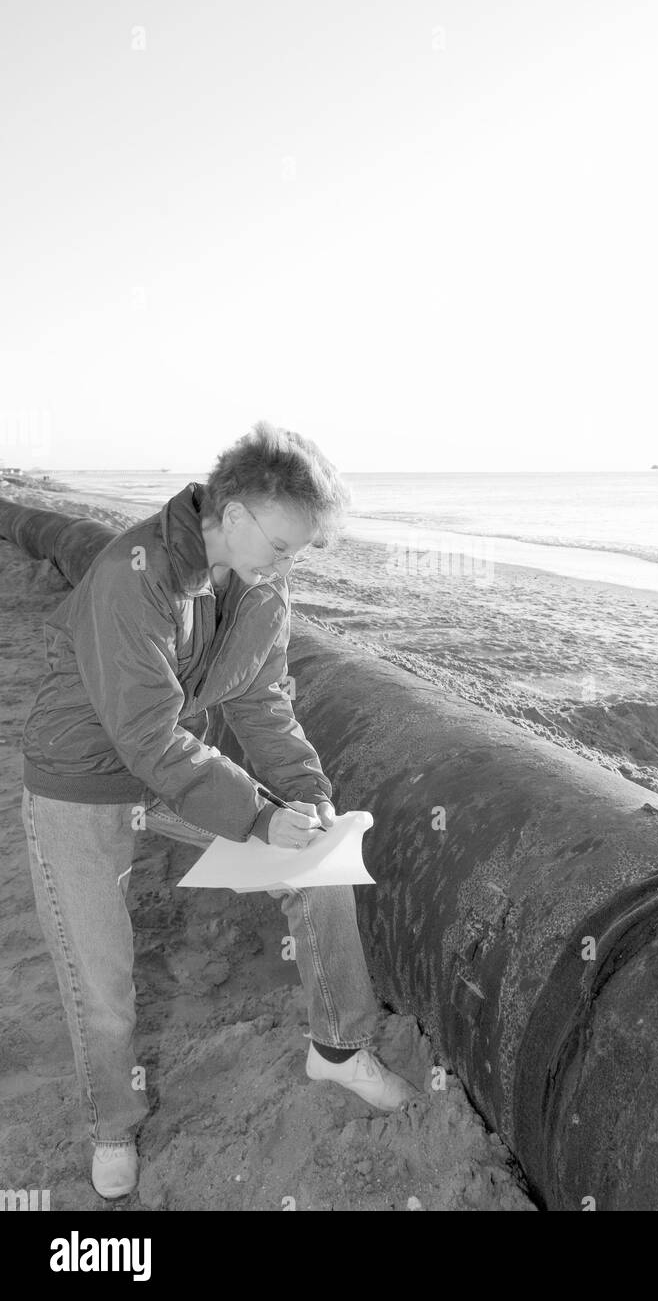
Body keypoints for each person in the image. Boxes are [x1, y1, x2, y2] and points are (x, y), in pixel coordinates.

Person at [20, 421, 419, 1200]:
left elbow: (266, 705)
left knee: (319, 867)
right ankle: (113, 1125)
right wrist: (260, 816)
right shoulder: (130, 575)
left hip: (172, 776)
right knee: (102, 984)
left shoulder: (260, 585)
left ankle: (336, 1049)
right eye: (284, 544)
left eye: (301, 550)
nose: (290, 563)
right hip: (77, 785)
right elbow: (146, 734)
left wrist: (307, 802)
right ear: (233, 517)